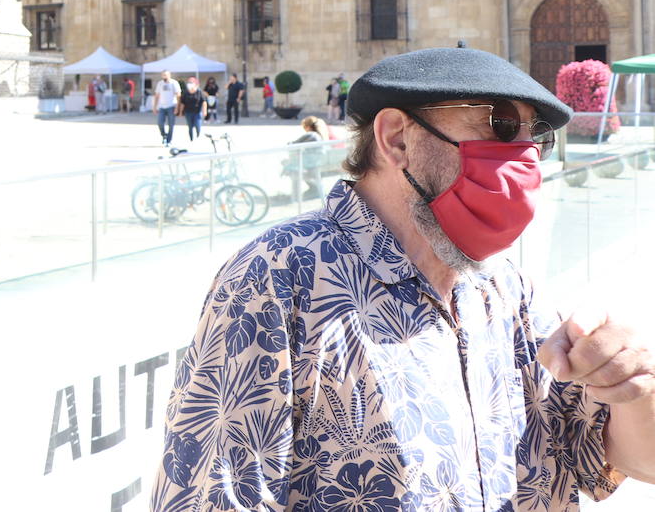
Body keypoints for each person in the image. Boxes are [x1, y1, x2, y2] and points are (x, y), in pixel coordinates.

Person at [151, 47, 655, 511]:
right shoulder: (280, 277)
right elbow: (211, 495)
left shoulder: (505, 288)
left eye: (534, 136)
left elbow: (613, 460)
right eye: (500, 125)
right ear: (396, 138)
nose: (523, 156)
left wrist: (631, 384)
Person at [281, 114, 329, 201]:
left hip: (310, 165)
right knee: (291, 164)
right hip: (318, 164)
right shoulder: (320, 136)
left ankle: (295, 197)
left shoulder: (311, 135)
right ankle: (313, 190)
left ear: (308, 126)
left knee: (291, 167)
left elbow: (292, 144)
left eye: (304, 126)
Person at [153, 71, 180, 145]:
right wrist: (155, 107)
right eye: (163, 75)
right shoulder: (160, 83)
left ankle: (169, 140)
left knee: (171, 124)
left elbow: (178, 95)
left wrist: (177, 108)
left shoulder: (174, 83)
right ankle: (164, 135)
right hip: (162, 106)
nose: (164, 76)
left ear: (169, 75)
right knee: (160, 123)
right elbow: (157, 95)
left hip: (171, 106)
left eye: (165, 75)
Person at [176, 76, 204, 142]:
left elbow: (203, 102)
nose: (190, 84)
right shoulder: (186, 92)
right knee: (190, 126)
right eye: (189, 82)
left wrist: (204, 111)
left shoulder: (199, 92)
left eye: (191, 82)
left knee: (198, 125)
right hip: (188, 112)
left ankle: (198, 137)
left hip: (197, 112)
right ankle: (191, 139)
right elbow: (183, 103)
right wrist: (180, 112)